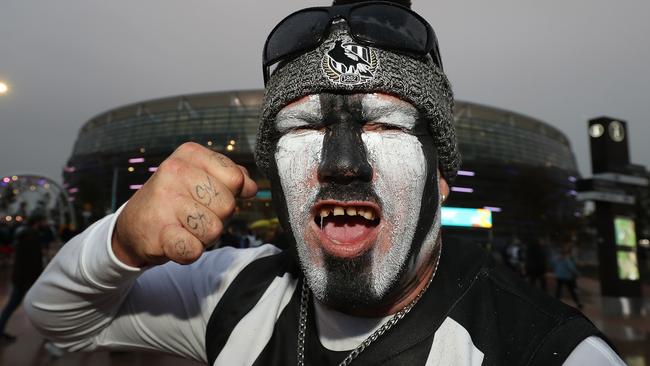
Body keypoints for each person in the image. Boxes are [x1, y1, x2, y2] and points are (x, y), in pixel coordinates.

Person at [25, 1, 625, 365]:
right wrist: (122, 244)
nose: (343, 163)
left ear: (441, 176)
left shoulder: (545, 351)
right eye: (305, 125)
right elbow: (59, 319)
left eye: (385, 124)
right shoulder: (235, 293)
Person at [0, 213, 46, 343]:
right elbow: (33, 262)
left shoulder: (26, 235)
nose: (44, 224)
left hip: (22, 278)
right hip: (26, 279)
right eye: (42, 221)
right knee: (41, 306)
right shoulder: (31, 237)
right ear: (37, 222)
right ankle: (50, 334)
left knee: (12, 305)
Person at [554, 244, 583, 309]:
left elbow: (554, 264)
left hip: (559, 276)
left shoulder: (557, 257)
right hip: (567, 277)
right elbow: (571, 267)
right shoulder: (567, 258)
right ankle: (578, 303)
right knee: (572, 290)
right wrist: (578, 274)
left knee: (558, 289)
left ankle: (555, 302)